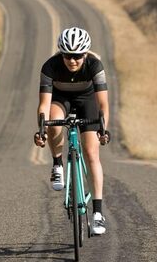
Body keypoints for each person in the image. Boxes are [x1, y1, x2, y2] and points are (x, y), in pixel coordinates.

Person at [34, 27, 110, 235]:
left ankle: (97, 214)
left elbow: (103, 104)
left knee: (92, 153)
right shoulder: (50, 67)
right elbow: (44, 105)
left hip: (87, 101)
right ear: (61, 54)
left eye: (77, 56)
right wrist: (41, 129)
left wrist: (104, 129)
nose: (72, 61)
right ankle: (57, 164)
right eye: (68, 56)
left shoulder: (95, 65)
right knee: (54, 119)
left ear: (85, 54)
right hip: (61, 100)